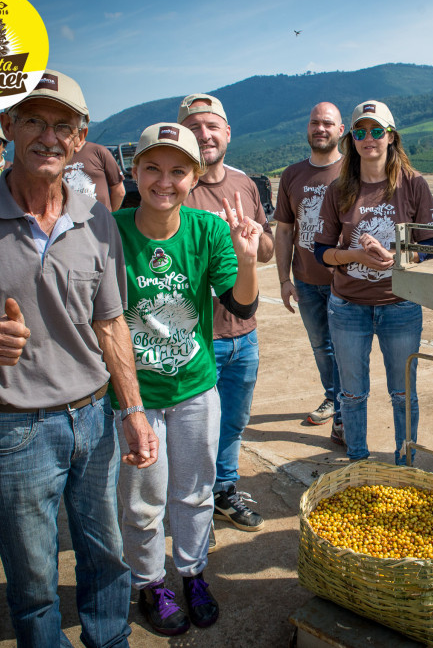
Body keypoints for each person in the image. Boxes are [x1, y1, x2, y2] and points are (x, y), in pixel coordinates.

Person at [0, 70, 157, 646]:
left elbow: (111, 322)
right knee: (34, 572)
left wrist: (133, 410)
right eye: (34, 120)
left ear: (82, 137)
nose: (49, 136)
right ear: (8, 126)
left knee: (106, 553)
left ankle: (109, 639)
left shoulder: (95, 219)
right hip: (14, 426)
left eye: (64, 125)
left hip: (93, 417)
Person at [113, 122, 261, 636]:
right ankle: (150, 583)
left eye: (178, 170)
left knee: (195, 492)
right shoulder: (113, 229)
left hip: (196, 388)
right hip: (136, 395)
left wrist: (247, 259)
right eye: (152, 167)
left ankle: (193, 574)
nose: (164, 180)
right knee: (142, 498)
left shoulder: (208, 229)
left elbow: (241, 303)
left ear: (193, 175)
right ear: (136, 171)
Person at [313, 99, 433, 464]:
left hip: (399, 304)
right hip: (347, 307)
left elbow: (430, 246)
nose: (369, 138)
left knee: (403, 394)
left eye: (376, 131)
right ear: (351, 139)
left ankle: (405, 465)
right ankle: (358, 463)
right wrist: (356, 255)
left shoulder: (413, 184)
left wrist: (398, 256)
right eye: (360, 131)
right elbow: (321, 252)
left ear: (391, 136)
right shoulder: (338, 189)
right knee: (351, 394)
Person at [178, 93, 275, 532]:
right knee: (194, 430)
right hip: (197, 337)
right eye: (194, 127)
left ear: (227, 132)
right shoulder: (177, 185)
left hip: (244, 332)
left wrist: (253, 239)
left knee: (233, 421)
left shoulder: (245, 185)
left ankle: (223, 492)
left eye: (211, 126)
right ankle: (192, 510)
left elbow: (269, 250)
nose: (204, 135)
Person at [275, 102, 345, 442]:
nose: (320, 128)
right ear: (307, 128)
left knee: (345, 346)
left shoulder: (352, 171)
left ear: (340, 130)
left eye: (327, 123)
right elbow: (285, 230)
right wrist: (285, 280)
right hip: (305, 281)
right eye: (315, 122)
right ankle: (333, 397)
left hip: (345, 282)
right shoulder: (292, 175)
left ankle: (346, 408)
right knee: (321, 346)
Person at [64, 140, 126, 210]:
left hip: (100, 219)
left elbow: (119, 191)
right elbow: (119, 192)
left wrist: (110, 216)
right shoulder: (56, 155)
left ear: (83, 133)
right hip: (67, 218)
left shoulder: (99, 151)